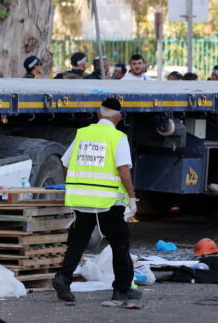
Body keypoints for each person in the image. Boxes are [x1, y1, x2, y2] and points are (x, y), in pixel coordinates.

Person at [52, 97, 139, 302]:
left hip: (81, 200)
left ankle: (63, 278)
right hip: (107, 201)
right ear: (119, 117)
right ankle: (122, 289)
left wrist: (76, 185)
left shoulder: (82, 134)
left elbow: (65, 164)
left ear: (98, 114)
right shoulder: (117, 137)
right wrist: (132, 197)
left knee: (77, 242)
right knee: (120, 243)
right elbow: (123, 169)